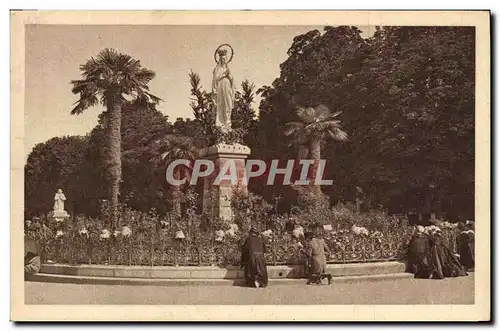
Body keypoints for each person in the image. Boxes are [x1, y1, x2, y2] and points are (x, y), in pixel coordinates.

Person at [212, 48, 235, 132]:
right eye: (221, 59)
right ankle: (221, 123)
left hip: (227, 87)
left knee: (228, 104)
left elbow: (232, 80)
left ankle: (228, 123)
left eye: (224, 59)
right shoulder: (217, 69)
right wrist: (223, 75)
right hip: (220, 87)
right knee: (221, 104)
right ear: (219, 59)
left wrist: (229, 76)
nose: (223, 60)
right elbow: (215, 79)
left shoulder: (228, 68)